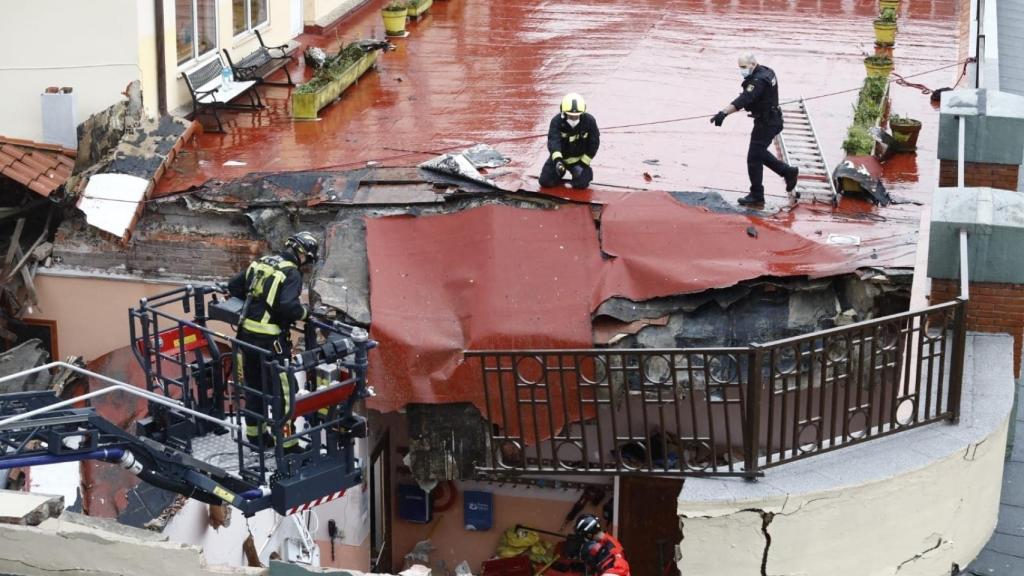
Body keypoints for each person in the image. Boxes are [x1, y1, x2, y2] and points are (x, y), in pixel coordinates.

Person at [227, 231, 320, 454]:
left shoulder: (261, 262)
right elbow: (289, 307)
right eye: (307, 259)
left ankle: (256, 438)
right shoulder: (291, 273)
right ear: (302, 254)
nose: (306, 264)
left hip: (246, 339)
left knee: (253, 387)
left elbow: (233, 285)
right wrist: (306, 314)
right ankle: (287, 445)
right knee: (284, 393)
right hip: (271, 344)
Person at [710, 53, 799, 206]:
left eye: (744, 67)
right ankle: (779, 177)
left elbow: (745, 99)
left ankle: (763, 189)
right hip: (769, 119)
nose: (742, 70)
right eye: (740, 67)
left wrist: (723, 113)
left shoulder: (758, 80)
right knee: (757, 155)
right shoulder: (767, 71)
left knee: (754, 157)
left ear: (753, 64)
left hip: (767, 122)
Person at [539, 93, 600, 189]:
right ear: (563, 112)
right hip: (560, 160)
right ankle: (560, 172)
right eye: (571, 116)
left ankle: (580, 173)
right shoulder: (556, 121)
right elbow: (554, 141)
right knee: (545, 182)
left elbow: (594, 143)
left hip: (579, 161)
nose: (574, 119)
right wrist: (558, 161)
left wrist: (582, 164)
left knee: (582, 184)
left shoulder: (589, 121)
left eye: (576, 116)